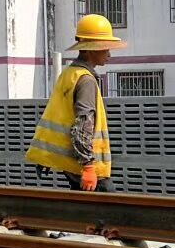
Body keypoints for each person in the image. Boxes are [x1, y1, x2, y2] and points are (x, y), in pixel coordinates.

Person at [25, 13, 125, 191]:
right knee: (111, 203)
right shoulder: (86, 80)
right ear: (90, 49)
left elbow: (57, 114)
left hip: (70, 161)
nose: (109, 54)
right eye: (105, 48)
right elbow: (82, 125)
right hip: (83, 164)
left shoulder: (68, 74)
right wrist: (88, 166)